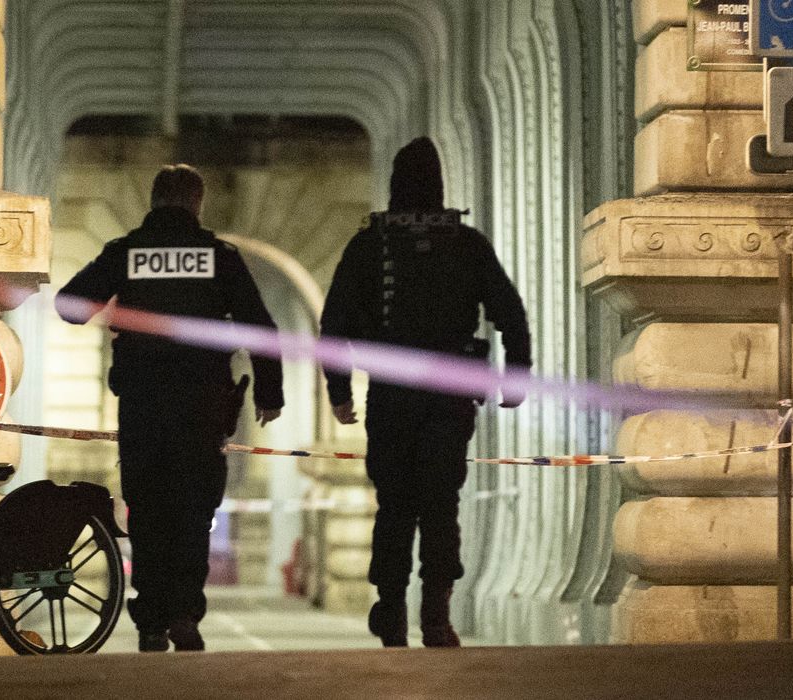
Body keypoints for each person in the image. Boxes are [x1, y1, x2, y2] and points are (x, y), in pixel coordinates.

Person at [55, 164, 284, 653]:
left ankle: (151, 620)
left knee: (150, 510)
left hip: (142, 404)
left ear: (154, 201)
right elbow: (261, 327)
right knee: (193, 510)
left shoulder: (126, 253)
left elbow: (68, 305)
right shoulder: (219, 257)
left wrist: (119, 309)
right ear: (197, 203)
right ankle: (185, 615)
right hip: (201, 404)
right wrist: (270, 392)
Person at [320, 137, 531, 648]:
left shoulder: (369, 244)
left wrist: (340, 391)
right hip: (449, 395)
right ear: (439, 186)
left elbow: (334, 324)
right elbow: (510, 311)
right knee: (441, 503)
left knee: (394, 505)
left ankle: (391, 611)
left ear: (394, 185)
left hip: (392, 396)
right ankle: (436, 615)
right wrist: (516, 376)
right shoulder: (467, 242)